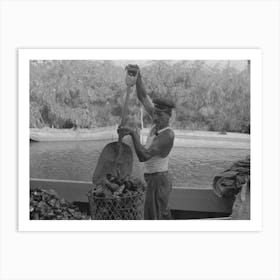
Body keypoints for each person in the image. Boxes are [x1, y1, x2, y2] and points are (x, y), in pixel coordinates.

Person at [118, 65, 175, 220]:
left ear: (169, 116)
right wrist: (138, 75)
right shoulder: (157, 123)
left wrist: (134, 133)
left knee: (153, 217)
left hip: (159, 180)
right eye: (155, 113)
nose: (155, 117)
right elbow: (143, 96)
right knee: (157, 213)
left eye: (160, 115)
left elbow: (144, 155)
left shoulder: (167, 135)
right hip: (152, 178)